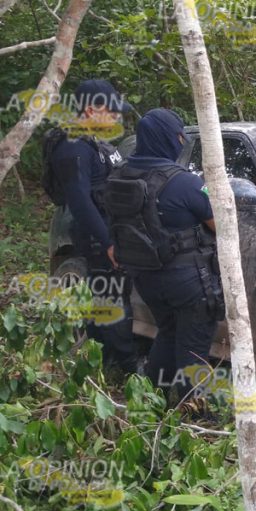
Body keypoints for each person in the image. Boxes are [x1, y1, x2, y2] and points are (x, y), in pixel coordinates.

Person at [102, 108, 221, 405]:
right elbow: (221, 224)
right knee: (193, 347)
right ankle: (196, 419)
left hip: (146, 277)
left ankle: (150, 404)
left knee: (167, 333)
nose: (182, 140)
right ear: (170, 138)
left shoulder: (120, 175)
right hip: (189, 282)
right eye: (179, 135)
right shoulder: (185, 182)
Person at [45, 79, 136, 373]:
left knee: (110, 302)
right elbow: (80, 201)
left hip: (109, 233)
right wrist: (107, 241)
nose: (115, 117)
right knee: (112, 304)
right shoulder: (72, 148)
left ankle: (104, 364)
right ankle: (125, 369)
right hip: (99, 240)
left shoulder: (92, 141)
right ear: (91, 108)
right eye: (110, 111)